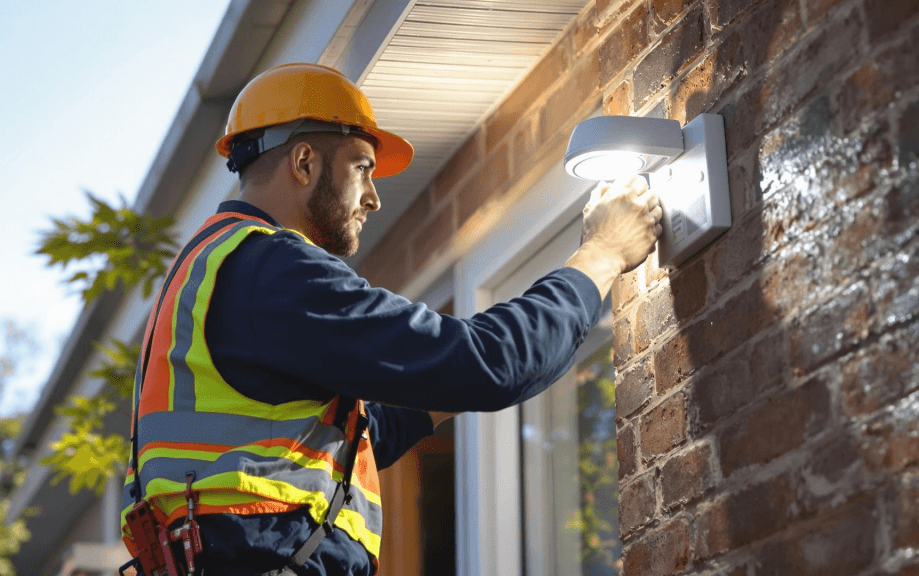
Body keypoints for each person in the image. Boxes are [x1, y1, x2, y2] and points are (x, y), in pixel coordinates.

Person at [120, 63, 662, 576]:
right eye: (362, 168)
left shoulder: (215, 268)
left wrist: (437, 383)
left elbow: (338, 440)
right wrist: (603, 254)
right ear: (304, 163)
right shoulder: (274, 268)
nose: (374, 198)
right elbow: (493, 363)